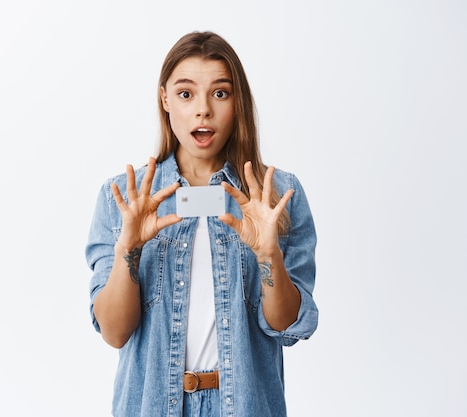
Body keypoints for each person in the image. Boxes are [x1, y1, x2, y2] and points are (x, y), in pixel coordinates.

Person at [86, 31, 318, 417]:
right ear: (165, 100)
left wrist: (268, 253)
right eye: (186, 93)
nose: (203, 110)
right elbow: (114, 332)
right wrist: (129, 249)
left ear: (237, 101)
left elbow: (286, 327)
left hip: (243, 406)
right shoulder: (122, 198)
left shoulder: (276, 195)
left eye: (220, 93)